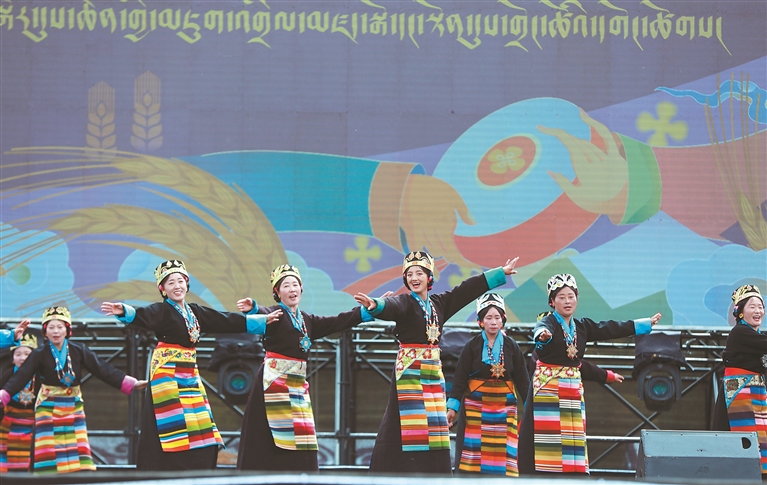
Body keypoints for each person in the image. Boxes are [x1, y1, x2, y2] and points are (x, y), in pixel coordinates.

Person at [354, 251, 518, 473]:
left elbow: (466, 290)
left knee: (435, 428)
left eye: (419, 273)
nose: (414, 278)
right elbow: (392, 305)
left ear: (429, 277)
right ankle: (393, 474)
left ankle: (435, 475)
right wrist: (376, 304)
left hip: (432, 375)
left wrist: (500, 273)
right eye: (409, 274)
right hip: (410, 375)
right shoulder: (406, 303)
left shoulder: (439, 304)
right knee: (405, 424)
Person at [100, 259, 267, 471]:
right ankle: (163, 471)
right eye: (170, 282)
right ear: (162, 289)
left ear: (187, 284)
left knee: (200, 423)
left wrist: (262, 321)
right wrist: (125, 311)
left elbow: (224, 320)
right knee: (171, 424)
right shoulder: (162, 311)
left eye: (180, 281)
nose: (177, 286)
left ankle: (197, 468)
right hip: (167, 374)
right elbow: (144, 315)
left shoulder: (194, 311)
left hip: (189, 373)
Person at [517, 273, 661, 475]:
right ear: (552, 301)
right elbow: (541, 330)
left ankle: (573, 475)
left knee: (573, 437)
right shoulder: (548, 323)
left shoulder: (582, 326)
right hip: (548, 390)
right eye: (561, 297)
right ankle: (544, 476)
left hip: (572, 391)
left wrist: (642, 325)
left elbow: (609, 328)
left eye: (571, 296)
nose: (567, 301)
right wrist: (542, 336)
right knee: (547, 438)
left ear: (577, 298)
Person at [235, 264, 374, 471]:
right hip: (273, 385)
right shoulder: (275, 315)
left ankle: (302, 477)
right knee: (269, 436)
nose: (292, 289)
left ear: (301, 288)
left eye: (295, 284)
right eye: (286, 286)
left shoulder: (307, 320)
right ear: (277, 292)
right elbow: (265, 313)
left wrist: (366, 312)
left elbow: (337, 322)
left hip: (297, 387)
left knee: (303, 436)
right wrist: (255, 309)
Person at [0, 307, 146, 475]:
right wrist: (4, 394)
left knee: (77, 447)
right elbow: (22, 376)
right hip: (47, 406)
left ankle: (78, 479)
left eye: (60, 327)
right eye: (51, 327)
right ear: (45, 331)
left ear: (67, 330)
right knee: (48, 450)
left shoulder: (78, 350)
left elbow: (102, 369)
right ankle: (46, 480)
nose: (56, 331)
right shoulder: (39, 354)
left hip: (73, 405)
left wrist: (131, 383)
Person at [445, 293, 530, 476]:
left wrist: (531, 408)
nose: (493, 322)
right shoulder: (471, 346)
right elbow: (460, 379)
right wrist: (452, 408)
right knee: (473, 454)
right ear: (481, 321)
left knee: (504, 454)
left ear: (503, 320)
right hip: (475, 408)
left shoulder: (512, 347)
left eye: (497, 317)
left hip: (505, 408)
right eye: (488, 317)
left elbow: (523, 381)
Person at [713, 284, 766, 475]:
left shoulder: (757, 336)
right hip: (740, 396)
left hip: (755, 396)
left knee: (759, 438)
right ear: (741, 312)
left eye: (761, 307)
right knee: (744, 441)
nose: (758, 311)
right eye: (752, 306)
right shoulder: (739, 332)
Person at [0, 328, 38, 473]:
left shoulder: (41, 376)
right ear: (12, 358)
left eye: (27, 354)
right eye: (18, 354)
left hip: (31, 422)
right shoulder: (6, 375)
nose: (22, 358)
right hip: (8, 420)